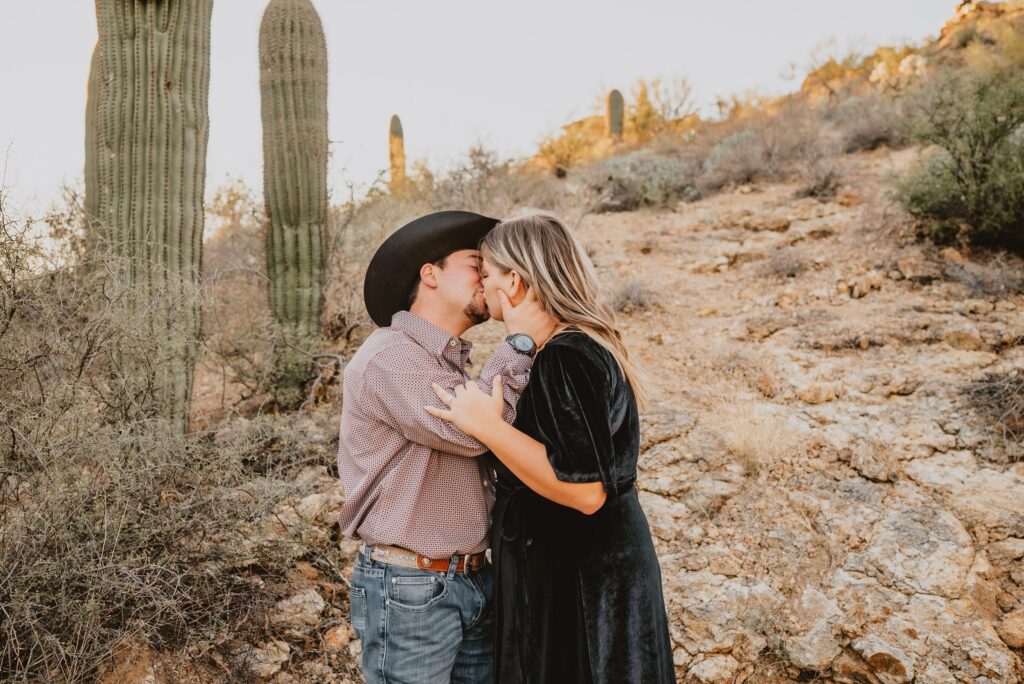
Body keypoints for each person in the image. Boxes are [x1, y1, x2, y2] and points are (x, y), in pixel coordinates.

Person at [426, 212, 675, 683]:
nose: (481, 284)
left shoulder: (566, 356)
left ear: (514, 283)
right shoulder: (562, 351)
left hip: (584, 584)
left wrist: (487, 427)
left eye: (488, 272)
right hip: (574, 573)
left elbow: (585, 490)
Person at [336, 210, 553, 684]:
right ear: (430, 274)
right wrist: (521, 342)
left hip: (468, 578)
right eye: (477, 262)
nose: (489, 277)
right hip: (413, 588)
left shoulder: (443, 361)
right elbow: (472, 430)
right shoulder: (392, 355)